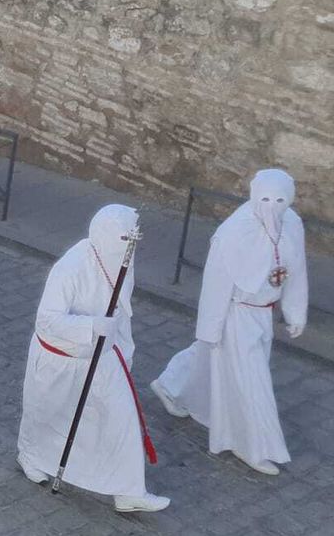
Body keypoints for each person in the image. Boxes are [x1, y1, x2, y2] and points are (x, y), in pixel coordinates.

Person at [152, 170, 307, 476]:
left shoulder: (292, 224)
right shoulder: (234, 232)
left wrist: (295, 312)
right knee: (251, 382)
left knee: (212, 360)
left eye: (280, 200)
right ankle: (252, 446)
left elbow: (296, 270)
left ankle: (172, 385)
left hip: (264, 313)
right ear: (254, 196)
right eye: (265, 199)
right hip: (236, 316)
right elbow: (216, 284)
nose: (272, 207)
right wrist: (209, 328)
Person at [17, 204, 166, 513]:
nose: (131, 248)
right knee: (49, 414)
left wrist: (123, 350)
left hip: (102, 355)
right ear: (107, 237)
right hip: (61, 358)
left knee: (122, 414)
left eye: (133, 241)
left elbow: (120, 314)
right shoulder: (70, 267)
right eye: (126, 240)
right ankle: (30, 454)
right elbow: (46, 320)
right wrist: (91, 326)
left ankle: (128, 490)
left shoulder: (121, 260)